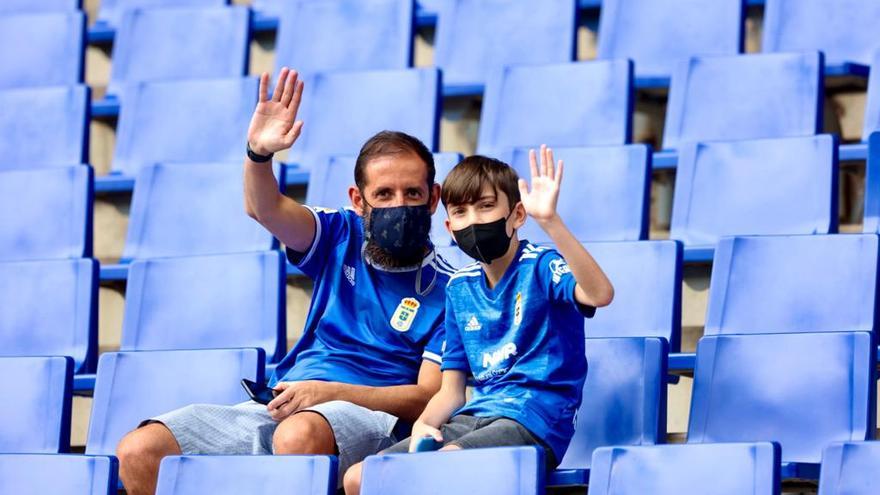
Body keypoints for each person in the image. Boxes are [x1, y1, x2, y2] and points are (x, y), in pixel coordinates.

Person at [116, 67, 455, 495]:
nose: (398, 205)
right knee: (141, 449)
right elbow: (266, 209)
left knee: (298, 437)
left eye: (412, 194)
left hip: (375, 419)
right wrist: (259, 156)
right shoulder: (340, 234)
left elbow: (428, 396)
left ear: (433, 199)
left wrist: (333, 393)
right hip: (286, 402)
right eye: (384, 195)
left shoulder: (453, 288)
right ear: (358, 200)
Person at [343, 147, 614, 494]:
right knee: (359, 478)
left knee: (448, 467)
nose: (473, 220)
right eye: (460, 211)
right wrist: (425, 424)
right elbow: (451, 392)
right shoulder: (458, 288)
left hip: (536, 418)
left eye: (486, 206)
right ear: (449, 227)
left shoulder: (542, 265)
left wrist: (551, 221)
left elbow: (600, 294)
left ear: (517, 215)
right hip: (475, 417)